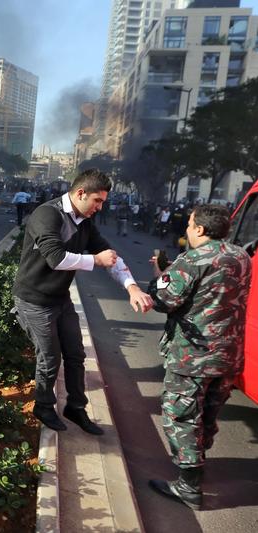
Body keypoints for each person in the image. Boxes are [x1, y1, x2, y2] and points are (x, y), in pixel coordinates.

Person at [13, 168, 154, 435]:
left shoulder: (85, 222)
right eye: (97, 201)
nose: (100, 208)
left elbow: (110, 256)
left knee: (76, 355)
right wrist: (95, 260)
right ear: (80, 193)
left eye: (102, 202)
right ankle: (43, 406)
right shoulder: (47, 214)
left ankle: (76, 407)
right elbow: (56, 258)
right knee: (49, 357)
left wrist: (132, 287)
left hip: (60, 299)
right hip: (34, 300)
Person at [147, 205, 250, 509]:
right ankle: (197, 462)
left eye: (190, 225)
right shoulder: (241, 256)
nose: (187, 229)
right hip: (228, 355)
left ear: (200, 229)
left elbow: (164, 300)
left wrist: (160, 276)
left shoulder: (192, 259)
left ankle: (188, 486)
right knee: (207, 413)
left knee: (181, 415)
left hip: (193, 356)